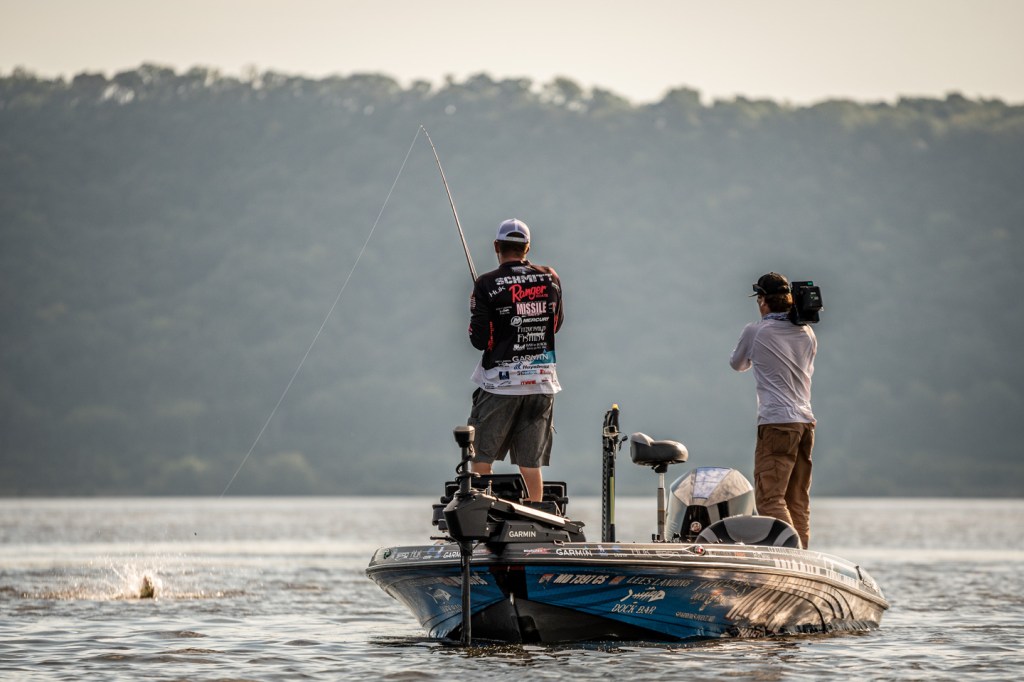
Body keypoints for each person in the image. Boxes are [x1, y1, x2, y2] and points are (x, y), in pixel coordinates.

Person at [467, 218, 564, 503]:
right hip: (542, 383)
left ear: (496, 246)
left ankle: (480, 510)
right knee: (530, 463)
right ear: (527, 247)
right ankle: (537, 513)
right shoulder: (550, 277)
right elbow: (556, 324)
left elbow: (479, 340)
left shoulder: (486, 284)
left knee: (481, 456)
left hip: (500, 385)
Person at [729, 272, 817, 548]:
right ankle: (802, 558)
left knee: (769, 499)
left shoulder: (756, 331)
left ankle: (790, 554)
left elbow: (737, 364)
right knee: (797, 499)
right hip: (805, 422)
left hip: (777, 422)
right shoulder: (807, 332)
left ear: (762, 301)